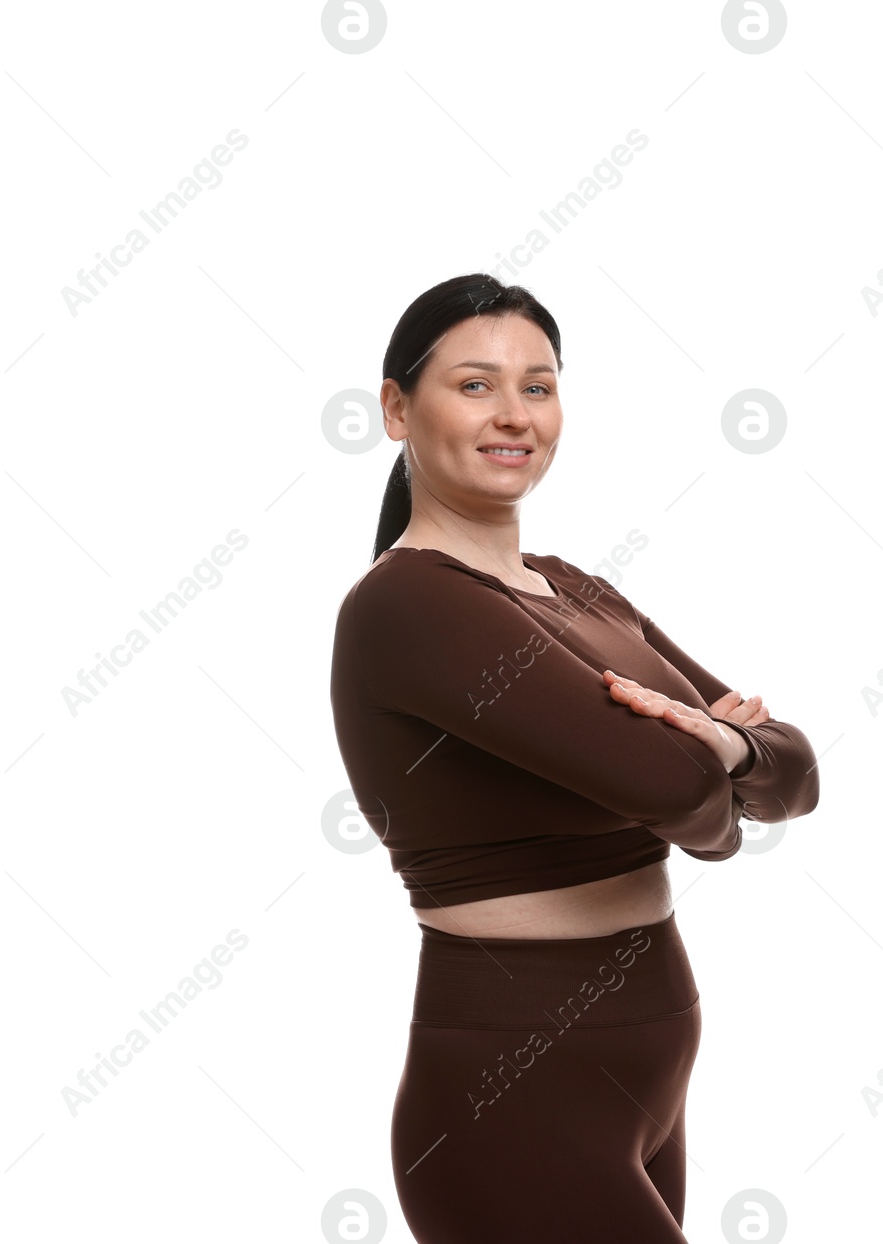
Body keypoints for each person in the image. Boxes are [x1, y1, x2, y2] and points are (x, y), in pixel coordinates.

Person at [328, 273, 821, 1242]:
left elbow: (795, 773)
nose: (514, 414)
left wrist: (721, 743)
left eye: (539, 386)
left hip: (646, 1076)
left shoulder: (575, 590)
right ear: (395, 407)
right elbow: (680, 791)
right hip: (518, 1085)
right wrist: (712, 771)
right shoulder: (406, 608)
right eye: (474, 385)